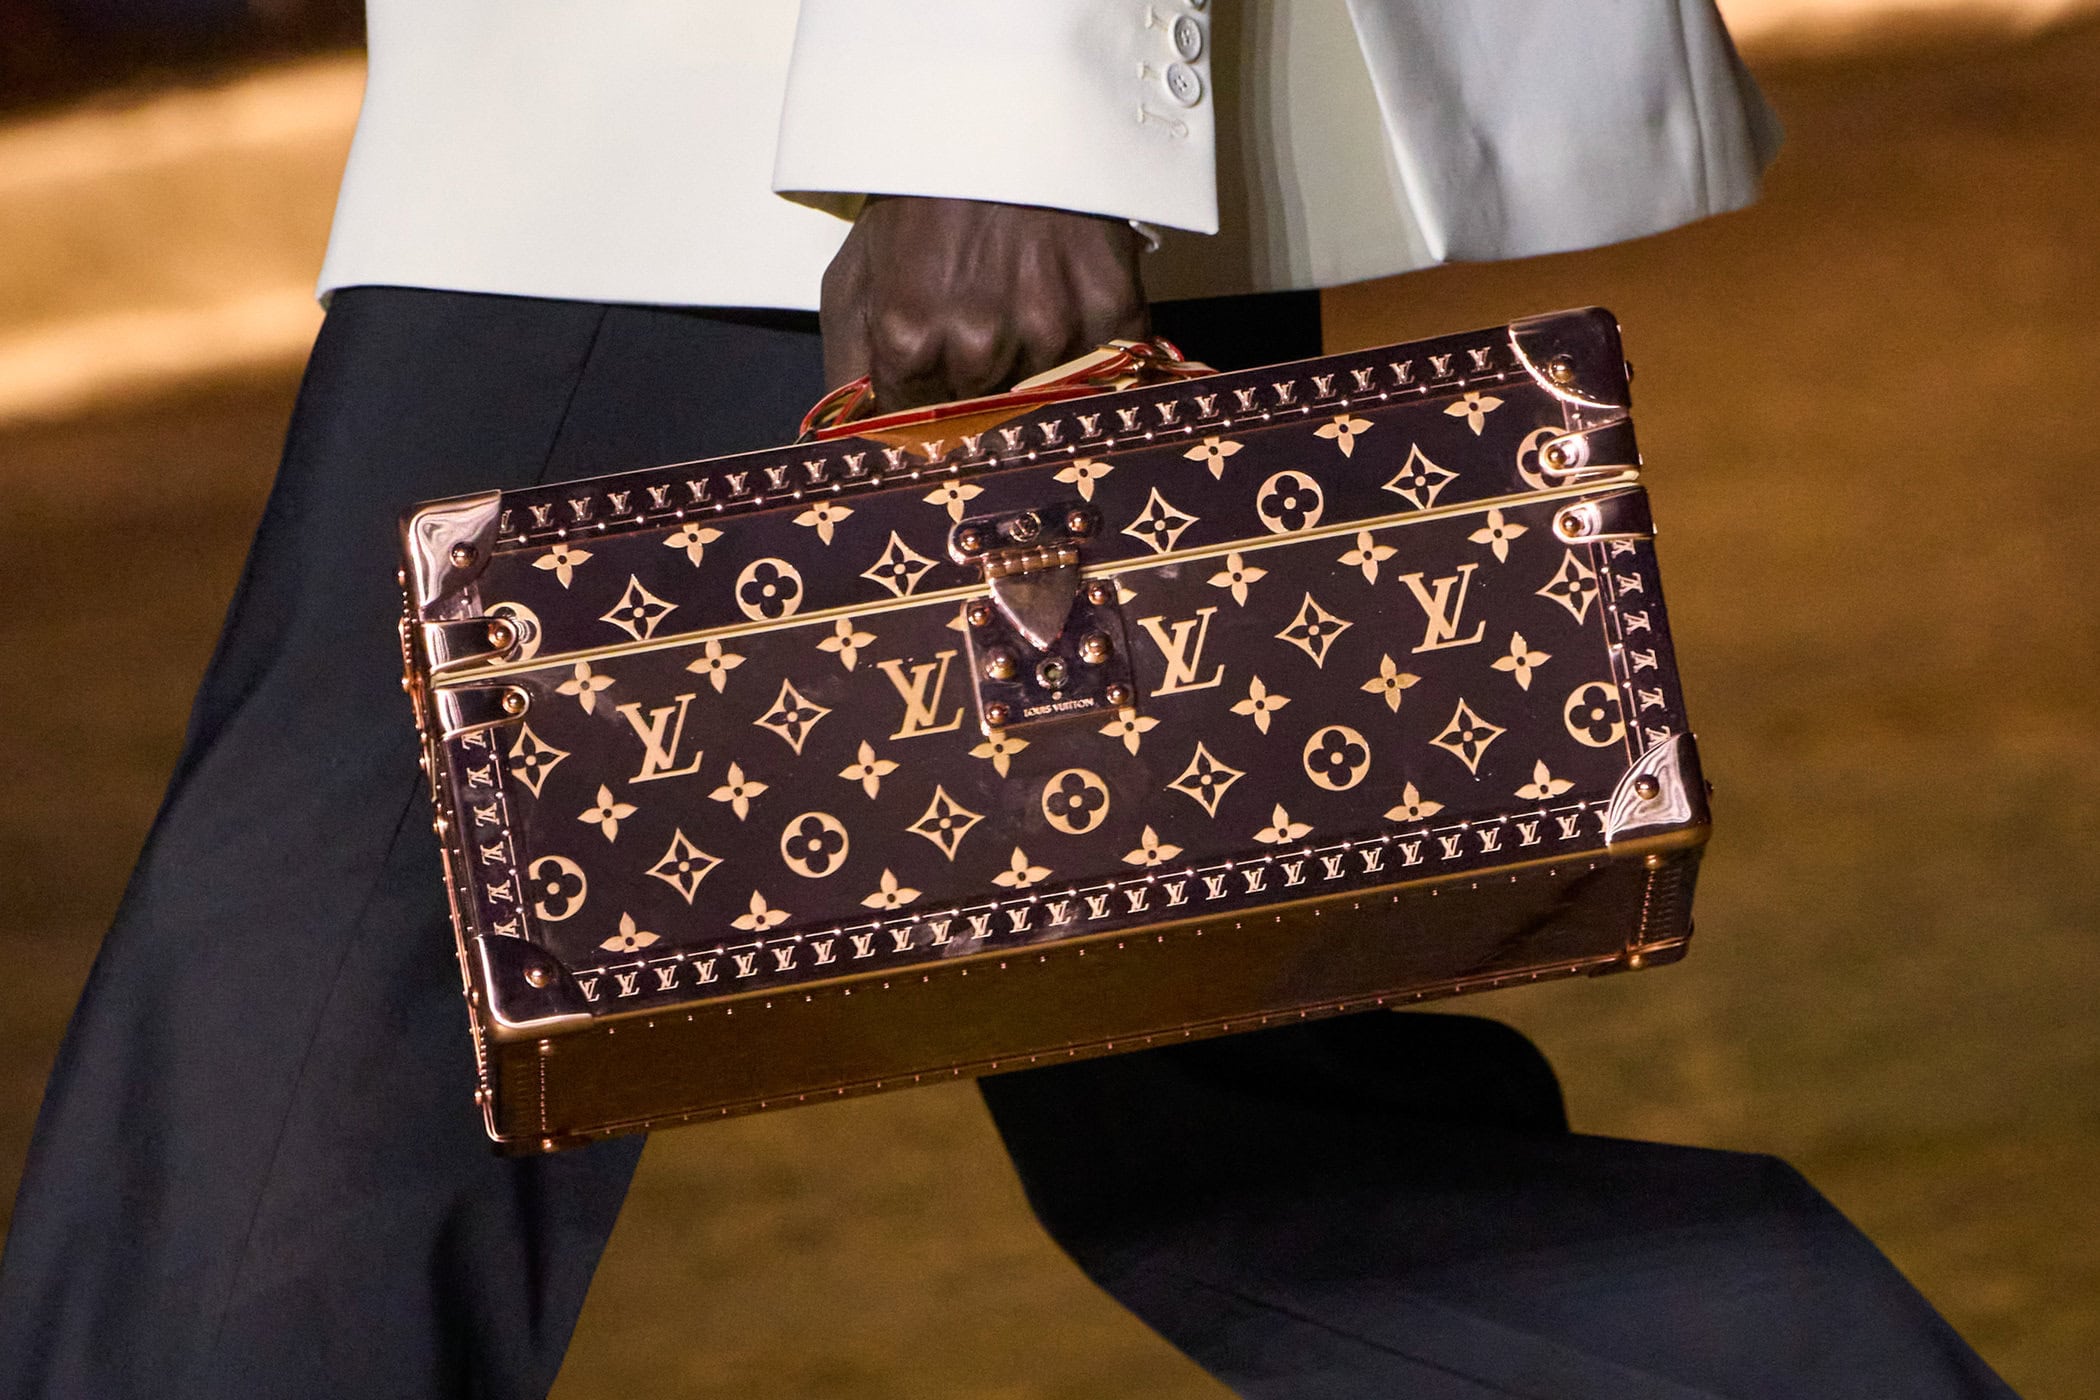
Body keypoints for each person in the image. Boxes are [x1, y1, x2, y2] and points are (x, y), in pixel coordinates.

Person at [0, 3, 2017, 1397]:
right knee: (1231, 1101)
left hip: (767, 139)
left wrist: (995, 100)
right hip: (773, 122)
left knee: (292, 1102)